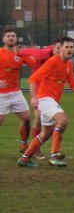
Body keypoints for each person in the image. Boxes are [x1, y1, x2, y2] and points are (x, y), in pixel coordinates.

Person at [18, 36, 74, 167]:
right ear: (60, 49)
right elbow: (33, 80)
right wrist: (34, 98)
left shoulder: (69, 64)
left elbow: (73, 84)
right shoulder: (52, 62)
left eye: (71, 47)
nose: (69, 49)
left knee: (46, 133)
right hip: (45, 98)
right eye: (66, 47)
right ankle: (54, 155)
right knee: (63, 120)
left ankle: (24, 159)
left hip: (52, 100)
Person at [0, 27, 39, 156]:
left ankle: (23, 143)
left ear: (16, 39)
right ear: (3, 39)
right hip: (1, 94)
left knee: (27, 119)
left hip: (16, 93)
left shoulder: (20, 54)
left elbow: (35, 64)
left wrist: (34, 52)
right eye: (8, 36)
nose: (11, 37)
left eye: (13, 36)